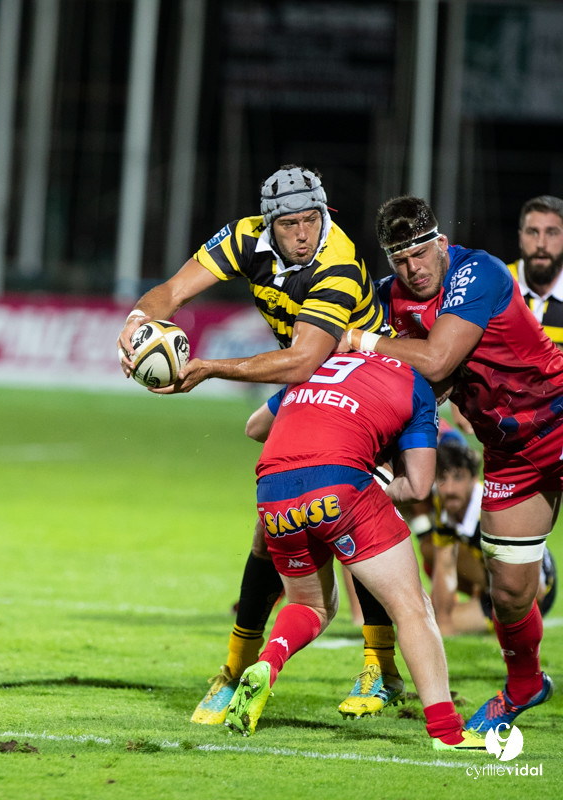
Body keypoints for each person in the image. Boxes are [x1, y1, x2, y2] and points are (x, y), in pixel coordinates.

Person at [116, 165, 403, 723]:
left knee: (352, 519)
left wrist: (209, 369)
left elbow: (301, 360)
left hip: (368, 387)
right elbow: (173, 291)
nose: (303, 233)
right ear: (271, 224)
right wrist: (135, 322)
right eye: (291, 223)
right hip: (316, 385)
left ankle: (378, 666)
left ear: (327, 215)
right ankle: (234, 669)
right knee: (271, 527)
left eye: (312, 220)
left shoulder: (337, 264)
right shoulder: (246, 237)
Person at [339, 195, 561, 733]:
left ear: (440, 243)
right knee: (508, 593)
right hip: (511, 454)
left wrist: (364, 340)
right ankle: (525, 685)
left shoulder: (477, 271)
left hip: (558, 415)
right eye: (399, 260)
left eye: (419, 253)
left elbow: (437, 359)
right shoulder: (388, 299)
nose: (413, 269)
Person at [222, 351, 483, 751]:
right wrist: (374, 484)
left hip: (271, 491)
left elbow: (254, 427)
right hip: (338, 483)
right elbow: (416, 488)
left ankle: (266, 665)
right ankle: (447, 733)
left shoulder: (326, 359)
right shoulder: (420, 387)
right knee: (413, 608)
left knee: (310, 606)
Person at [427, 434, 557, 636]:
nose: (449, 488)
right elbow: (444, 567)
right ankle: (479, 598)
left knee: (433, 621)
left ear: (473, 478)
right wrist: (443, 624)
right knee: (433, 620)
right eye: (442, 478)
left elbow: (534, 586)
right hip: (494, 579)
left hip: (535, 587)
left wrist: (510, 625)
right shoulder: (442, 504)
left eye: (458, 477)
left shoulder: (491, 511)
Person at [508, 195, 563, 349]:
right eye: (533, 232)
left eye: (551, 233)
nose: (541, 244)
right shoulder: (495, 283)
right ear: (520, 238)